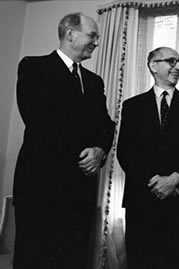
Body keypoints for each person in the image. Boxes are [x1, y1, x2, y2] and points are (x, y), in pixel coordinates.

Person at [13, 12, 115, 269]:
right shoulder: (33, 67)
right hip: (41, 185)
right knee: (36, 257)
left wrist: (99, 150)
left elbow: (106, 124)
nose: (96, 42)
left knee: (74, 256)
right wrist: (83, 153)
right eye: (92, 35)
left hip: (80, 189)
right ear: (71, 33)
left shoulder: (94, 81)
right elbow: (39, 121)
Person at [117, 47, 179, 269]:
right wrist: (154, 181)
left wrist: (175, 178)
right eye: (171, 61)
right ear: (153, 66)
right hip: (142, 201)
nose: (177, 67)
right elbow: (126, 152)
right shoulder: (132, 106)